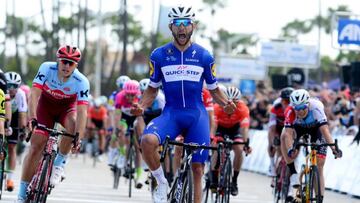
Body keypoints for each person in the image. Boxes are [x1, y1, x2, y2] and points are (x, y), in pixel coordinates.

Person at [130, 5, 236, 203]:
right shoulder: (159, 55)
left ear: (193, 26)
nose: (182, 28)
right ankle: (161, 182)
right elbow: (152, 89)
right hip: (172, 114)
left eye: (186, 23)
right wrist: (141, 106)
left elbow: (214, 90)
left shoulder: (204, 55)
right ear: (171, 27)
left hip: (197, 116)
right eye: (177, 23)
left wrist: (226, 104)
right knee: (147, 141)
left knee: (197, 168)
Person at [16, 45, 90, 202]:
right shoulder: (46, 68)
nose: (66, 65)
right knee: (36, 146)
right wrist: (32, 118)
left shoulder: (82, 81)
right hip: (45, 108)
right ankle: (22, 195)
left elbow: (83, 111)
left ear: (76, 65)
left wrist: (79, 137)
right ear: (58, 60)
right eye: (64, 61)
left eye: (71, 63)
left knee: (73, 124)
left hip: (66, 109)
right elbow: (34, 93)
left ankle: (59, 163)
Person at [281, 89, 342, 201]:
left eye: (302, 108)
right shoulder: (290, 111)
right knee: (283, 137)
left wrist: (334, 148)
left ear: (308, 104)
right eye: (296, 108)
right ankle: (294, 174)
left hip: (316, 130)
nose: (299, 111)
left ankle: (320, 198)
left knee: (319, 165)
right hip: (298, 129)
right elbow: (288, 134)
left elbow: (325, 130)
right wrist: (290, 149)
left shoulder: (316, 107)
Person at [210, 86, 251, 196]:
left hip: (235, 129)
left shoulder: (243, 108)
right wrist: (212, 137)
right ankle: (214, 178)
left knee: (239, 149)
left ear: (239, 101)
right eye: (229, 102)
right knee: (217, 148)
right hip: (220, 129)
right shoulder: (217, 107)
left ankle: (234, 181)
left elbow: (244, 127)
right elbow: (214, 124)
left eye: (235, 102)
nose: (232, 105)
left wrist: (246, 143)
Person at [4, 71, 27, 191]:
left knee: (12, 147)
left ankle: (10, 179)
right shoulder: (2, 91)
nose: (12, 89)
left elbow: (22, 115)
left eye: (15, 86)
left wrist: (23, 130)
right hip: (2, 115)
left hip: (15, 117)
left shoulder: (21, 95)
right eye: (9, 86)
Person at [267, 87, 293, 177]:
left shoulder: (295, 108)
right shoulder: (275, 107)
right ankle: (272, 165)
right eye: (285, 101)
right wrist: (273, 141)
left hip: (289, 128)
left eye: (289, 102)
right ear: (281, 101)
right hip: (277, 128)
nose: (287, 104)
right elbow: (272, 128)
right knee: (274, 146)